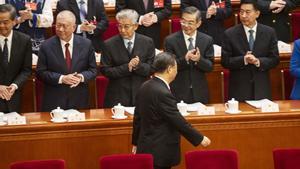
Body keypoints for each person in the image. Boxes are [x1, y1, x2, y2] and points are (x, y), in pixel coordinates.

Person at [132, 52, 211, 169]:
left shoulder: (145, 86)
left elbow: (137, 118)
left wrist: (135, 142)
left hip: (145, 147)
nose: (177, 72)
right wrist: (200, 138)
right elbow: (177, 120)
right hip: (160, 150)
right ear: (169, 69)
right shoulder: (162, 92)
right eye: (176, 68)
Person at [36, 10, 97, 112]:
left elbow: (93, 70)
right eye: (58, 25)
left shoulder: (86, 44)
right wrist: (61, 78)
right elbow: (40, 72)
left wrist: (81, 77)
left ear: (73, 27)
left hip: (79, 100)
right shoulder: (46, 46)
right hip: (54, 102)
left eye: (64, 26)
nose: (60, 29)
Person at [221, 0, 279, 102]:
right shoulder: (230, 34)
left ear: (257, 13)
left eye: (247, 12)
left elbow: (274, 59)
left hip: (262, 89)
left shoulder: (269, 32)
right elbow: (225, 61)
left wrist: (258, 61)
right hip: (239, 90)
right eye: (241, 12)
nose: (243, 15)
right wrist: (244, 60)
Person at [101, 9, 155, 108]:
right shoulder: (109, 44)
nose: (122, 30)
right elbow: (106, 71)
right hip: (117, 96)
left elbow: (151, 69)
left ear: (135, 26)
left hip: (141, 94)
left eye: (126, 26)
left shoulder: (147, 42)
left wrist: (138, 66)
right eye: (119, 26)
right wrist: (127, 67)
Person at [164, 6, 214, 104]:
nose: (186, 25)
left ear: (198, 23)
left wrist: (199, 60)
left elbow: (210, 67)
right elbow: (168, 67)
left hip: (200, 92)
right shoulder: (170, 41)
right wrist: (185, 59)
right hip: (178, 92)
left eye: (190, 23)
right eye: (183, 21)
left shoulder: (207, 40)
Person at [0, 4, 32, 113]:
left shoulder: (25, 41)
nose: (1, 25)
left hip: (14, 98)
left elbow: (26, 70)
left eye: (5, 22)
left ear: (14, 21)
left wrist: (14, 86)